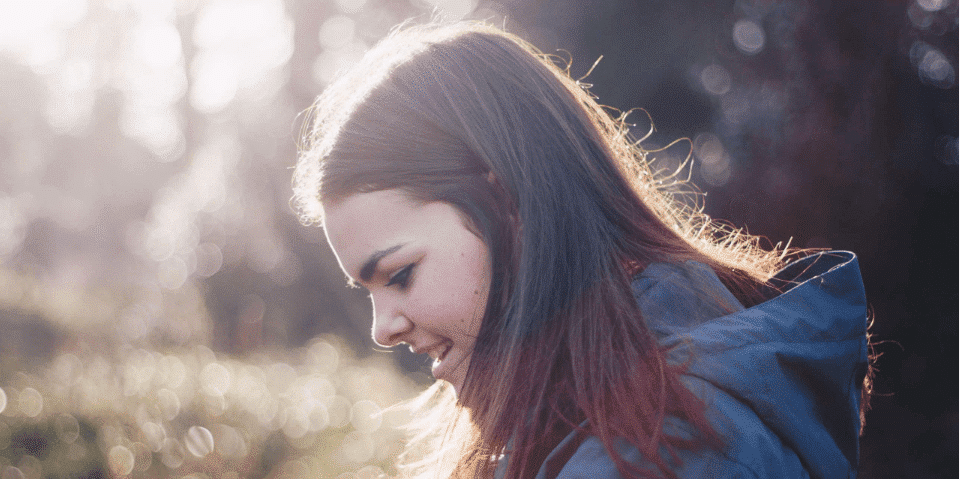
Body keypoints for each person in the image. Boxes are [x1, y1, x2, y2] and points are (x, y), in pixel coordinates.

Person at [292, 22, 871, 479]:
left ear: (510, 204)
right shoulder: (597, 412)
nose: (381, 329)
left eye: (398, 275)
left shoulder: (668, 449)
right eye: (367, 291)